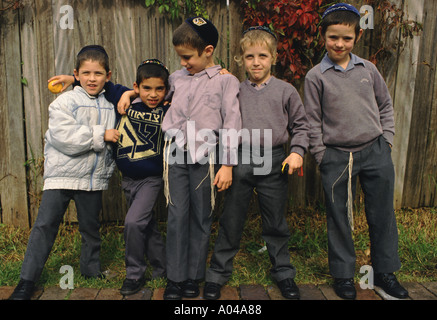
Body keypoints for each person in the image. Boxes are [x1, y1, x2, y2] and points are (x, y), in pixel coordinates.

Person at [303, 3, 408, 299]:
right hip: (337, 156)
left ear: (357, 37)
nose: (339, 44)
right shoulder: (316, 77)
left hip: (375, 152)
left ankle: (385, 273)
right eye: (333, 37)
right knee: (339, 216)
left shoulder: (368, 69)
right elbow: (312, 120)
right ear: (323, 36)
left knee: (382, 213)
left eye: (346, 38)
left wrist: (386, 140)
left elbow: (385, 105)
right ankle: (344, 276)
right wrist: (322, 155)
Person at [203, 26, 309, 300]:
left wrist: (297, 151)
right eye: (250, 56)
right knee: (231, 219)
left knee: (275, 221)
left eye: (263, 55)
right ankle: (216, 274)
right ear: (241, 59)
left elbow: (301, 126)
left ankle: (283, 272)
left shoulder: (286, 91)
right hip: (240, 158)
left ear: (273, 57)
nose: (256, 62)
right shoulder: (235, 90)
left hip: (274, 160)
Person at [9, 45, 117, 300]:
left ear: (108, 76)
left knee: (91, 228)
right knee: (45, 225)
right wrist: (100, 134)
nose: (92, 78)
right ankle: (27, 280)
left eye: (98, 73)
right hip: (62, 176)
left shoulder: (111, 105)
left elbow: (136, 91)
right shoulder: (65, 102)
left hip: (91, 180)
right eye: (86, 73)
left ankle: (90, 270)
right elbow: (63, 136)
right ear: (76, 74)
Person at [161, 17, 241, 300]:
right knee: (177, 214)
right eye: (180, 57)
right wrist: (130, 94)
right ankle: (175, 277)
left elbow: (232, 123)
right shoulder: (175, 78)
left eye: (188, 57)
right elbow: (152, 93)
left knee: (201, 216)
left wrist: (228, 164)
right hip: (175, 154)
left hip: (205, 158)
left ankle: (195, 276)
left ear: (208, 50)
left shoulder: (226, 82)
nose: (183, 63)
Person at [115, 59, 168, 295]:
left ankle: (134, 274)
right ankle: (162, 267)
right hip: (127, 179)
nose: (153, 94)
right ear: (136, 86)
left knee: (133, 222)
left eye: (160, 88)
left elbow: (191, 88)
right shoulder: (127, 101)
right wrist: (70, 79)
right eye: (147, 88)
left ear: (167, 89)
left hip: (151, 179)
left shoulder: (168, 108)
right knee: (146, 226)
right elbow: (99, 84)